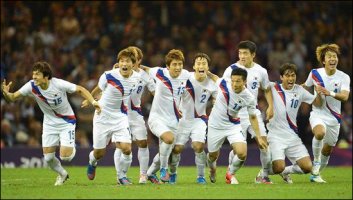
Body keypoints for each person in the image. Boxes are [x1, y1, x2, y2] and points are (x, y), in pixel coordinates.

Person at [1, 61, 101, 186]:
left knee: (66, 157)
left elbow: (80, 89)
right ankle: (62, 174)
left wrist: (93, 102)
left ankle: (70, 145)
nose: (34, 77)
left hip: (66, 121)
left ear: (46, 76)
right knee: (48, 158)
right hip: (49, 123)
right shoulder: (31, 86)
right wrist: (6, 94)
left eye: (37, 74)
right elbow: (13, 97)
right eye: (33, 74)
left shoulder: (58, 84)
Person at [83, 48, 139, 185]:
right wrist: (89, 99)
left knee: (126, 148)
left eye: (127, 61)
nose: (124, 64)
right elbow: (99, 88)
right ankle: (92, 161)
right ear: (118, 63)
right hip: (103, 116)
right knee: (99, 153)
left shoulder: (137, 78)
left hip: (120, 117)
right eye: (121, 61)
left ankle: (122, 176)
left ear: (133, 64)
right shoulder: (108, 76)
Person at [161, 53, 218, 184]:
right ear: (194, 66)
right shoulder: (186, 78)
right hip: (182, 120)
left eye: (204, 64)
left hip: (199, 120)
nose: (201, 66)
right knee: (176, 149)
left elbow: (217, 98)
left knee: (198, 146)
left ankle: (201, 176)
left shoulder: (212, 84)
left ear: (208, 67)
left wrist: (215, 102)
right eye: (198, 63)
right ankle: (173, 173)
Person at [222, 40, 274, 184]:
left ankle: (262, 176)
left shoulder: (261, 71)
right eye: (240, 53)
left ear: (253, 55)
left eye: (245, 53)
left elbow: (267, 88)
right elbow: (222, 90)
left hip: (253, 113)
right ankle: (230, 171)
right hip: (236, 115)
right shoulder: (231, 69)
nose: (242, 56)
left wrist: (271, 106)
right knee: (239, 151)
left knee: (264, 144)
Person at [207, 67, 267, 184]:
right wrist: (208, 72)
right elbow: (215, 78)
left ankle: (230, 173)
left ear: (245, 82)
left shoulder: (249, 97)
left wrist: (259, 137)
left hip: (232, 125)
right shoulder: (224, 83)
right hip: (215, 125)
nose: (234, 84)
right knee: (213, 156)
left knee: (242, 153)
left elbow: (253, 117)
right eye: (233, 80)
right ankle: (212, 169)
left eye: (238, 81)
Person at [141, 49, 190, 184]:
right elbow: (143, 68)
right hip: (156, 118)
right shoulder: (160, 73)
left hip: (174, 121)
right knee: (168, 139)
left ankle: (150, 173)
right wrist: (123, 66)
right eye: (174, 64)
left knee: (167, 151)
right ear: (168, 66)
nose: (178, 67)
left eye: (180, 64)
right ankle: (163, 169)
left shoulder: (185, 75)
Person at [267, 63, 322, 184]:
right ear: (281, 77)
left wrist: (319, 91)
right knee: (278, 167)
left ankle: (286, 171)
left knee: (308, 167)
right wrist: (270, 106)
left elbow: (317, 103)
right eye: (287, 76)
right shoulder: (273, 87)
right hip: (276, 136)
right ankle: (263, 173)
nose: (291, 78)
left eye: (293, 75)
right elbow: (259, 84)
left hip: (292, 136)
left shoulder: (299, 90)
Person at [303, 43, 350, 183]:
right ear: (323, 61)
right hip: (318, 113)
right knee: (319, 133)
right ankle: (316, 162)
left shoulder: (344, 77)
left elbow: (345, 96)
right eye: (329, 56)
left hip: (334, 118)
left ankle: (316, 174)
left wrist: (328, 92)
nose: (332, 59)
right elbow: (305, 87)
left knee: (328, 149)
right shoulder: (315, 73)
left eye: (334, 56)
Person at [112, 46, 156, 184]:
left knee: (143, 143)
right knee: (121, 146)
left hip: (135, 114)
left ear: (139, 60)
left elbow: (155, 91)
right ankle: (120, 176)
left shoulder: (144, 75)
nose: (131, 61)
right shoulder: (115, 72)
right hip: (119, 115)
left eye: (134, 58)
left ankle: (143, 175)